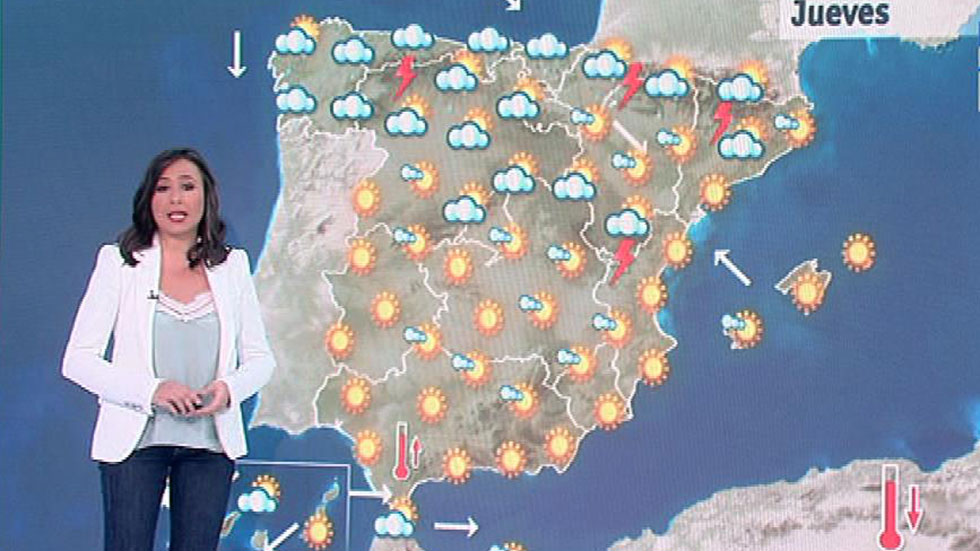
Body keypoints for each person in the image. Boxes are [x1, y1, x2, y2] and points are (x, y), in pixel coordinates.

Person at [62, 147, 276, 551]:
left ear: (206, 197)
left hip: (209, 445)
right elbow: (78, 359)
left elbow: (261, 359)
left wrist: (228, 389)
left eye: (187, 187)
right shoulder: (119, 263)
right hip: (135, 443)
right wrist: (152, 391)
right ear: (149, 198)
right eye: (163, 188)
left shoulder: (231, 267)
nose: (175, 199)